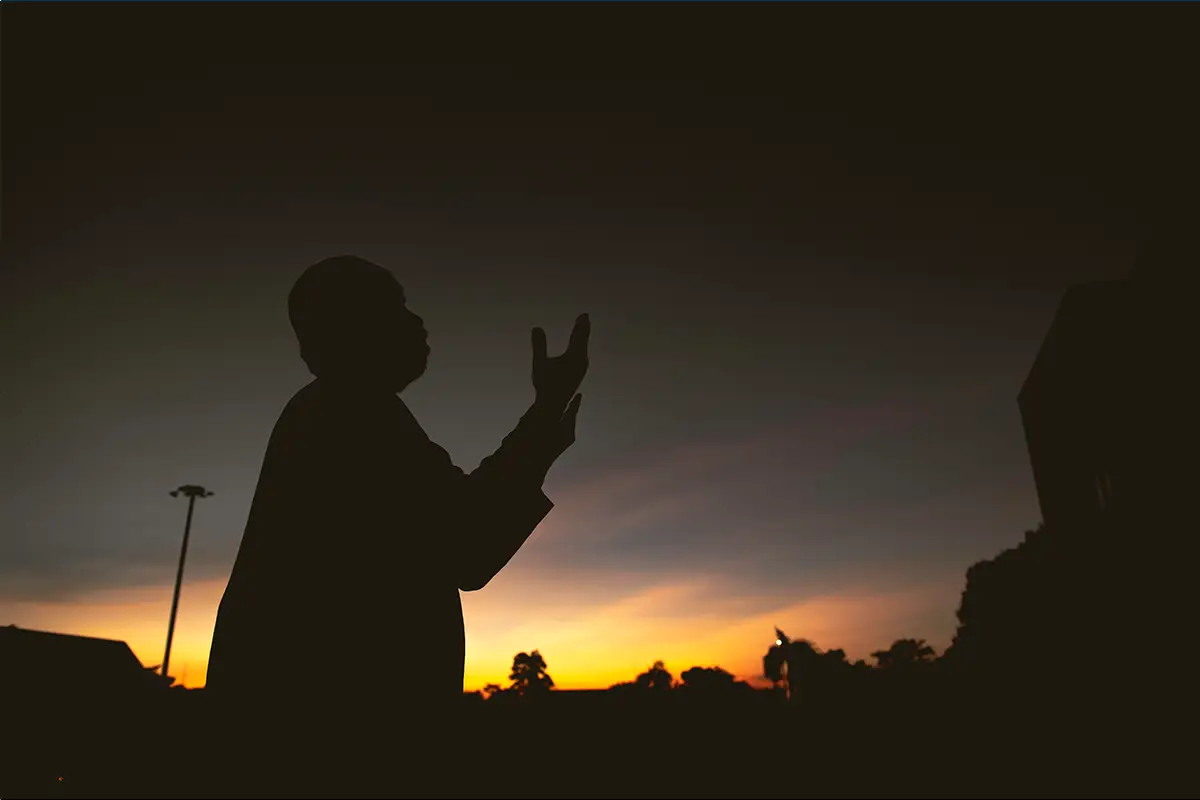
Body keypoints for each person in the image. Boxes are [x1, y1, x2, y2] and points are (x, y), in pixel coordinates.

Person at [204, 255, 589, 797]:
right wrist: (544, 415)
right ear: (351, 328)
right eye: (396, 307)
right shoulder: (352, 412)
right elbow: (468, 542)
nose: (417, 321)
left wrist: (543, 421)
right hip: (341, 749)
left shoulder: (337, 411)